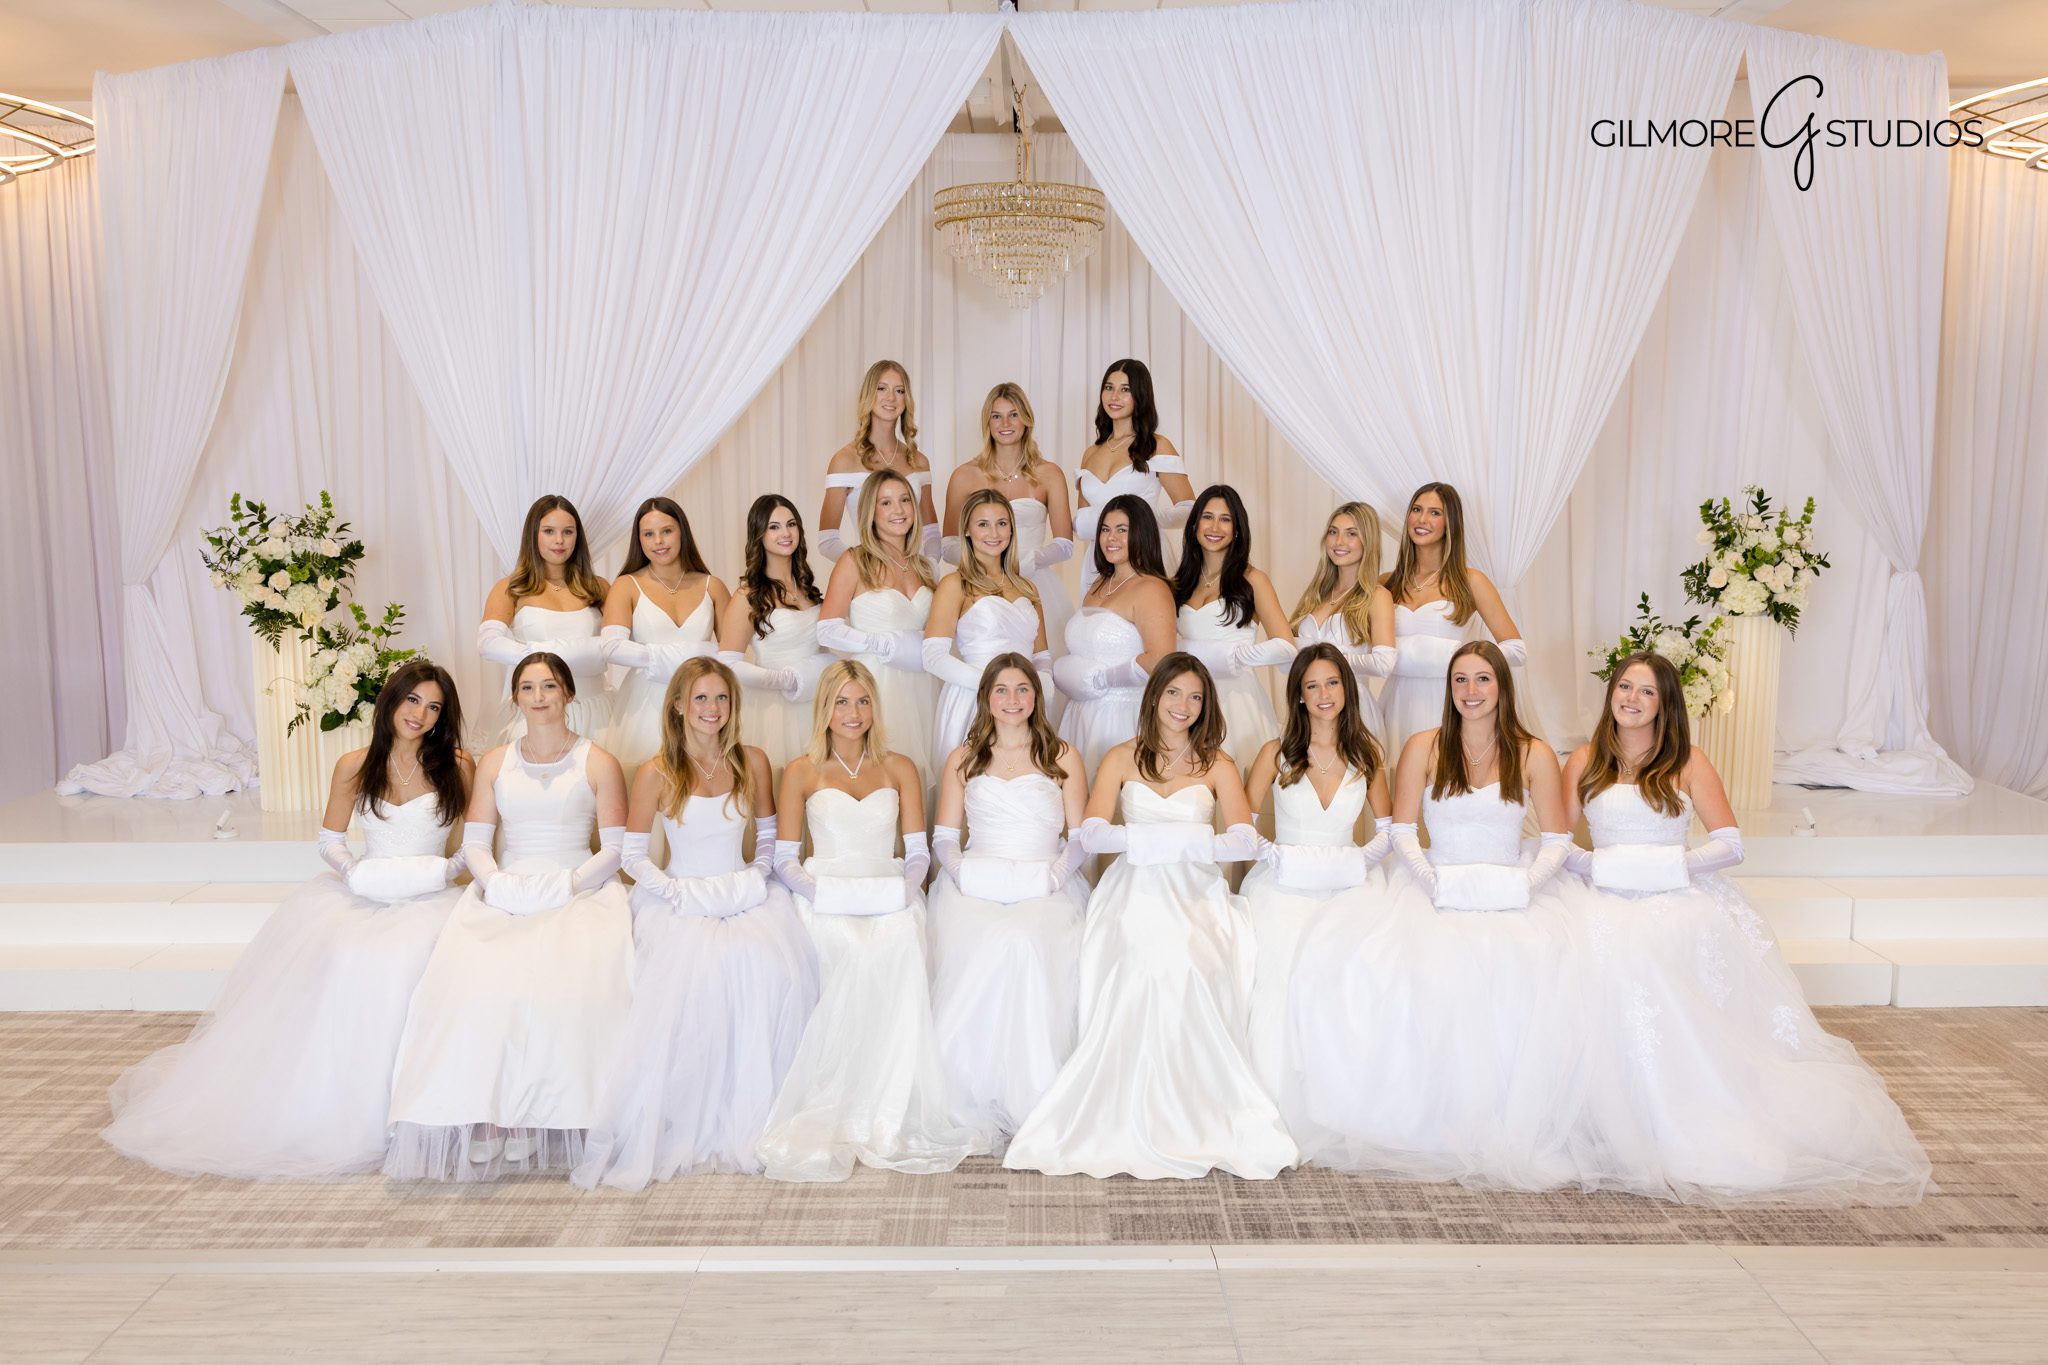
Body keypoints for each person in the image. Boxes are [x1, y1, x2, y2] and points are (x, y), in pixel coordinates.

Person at [1557, 652, 1932, 1206]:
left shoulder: (1686, 761)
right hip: (1603, 893)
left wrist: (1661, 871)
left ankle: (1682, 1113)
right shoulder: (1586, 758)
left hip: (1675, 895)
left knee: (1652, 956)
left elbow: (1730, 844)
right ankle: (1603, 1119)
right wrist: (1596, 868)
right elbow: (1559, 842)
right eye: (1624, 687)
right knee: (1586, 963)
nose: (1630, 699)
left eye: (1646, 692)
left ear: (1665, 706)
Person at [103, 661, 471, 1178]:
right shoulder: (354, 764)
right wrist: (356, 875)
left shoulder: (457, 764)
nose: (421, 714)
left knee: (422, 957)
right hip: (365, 892)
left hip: (433, 894)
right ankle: (351, 1107)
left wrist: (448, 872)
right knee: (357, 958)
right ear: (391, 701)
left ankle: (427, 1103)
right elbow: (330, 841)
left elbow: (470, 839)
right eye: (413, 700)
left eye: (433, 706)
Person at [1286, 640, 1581, 1191]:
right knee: (1400, 972)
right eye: (1461, 681)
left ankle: (1509, 1117)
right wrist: (1434, 884)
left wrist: (1522, 886)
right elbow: (1399, 832)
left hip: (1509, 887)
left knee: (1532, 969)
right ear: (1449, 690)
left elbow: (1559, 839)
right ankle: (1426, 1114)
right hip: (1435, 883)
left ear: (1502, 687)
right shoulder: (1425, 745)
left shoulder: (1534, 751)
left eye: (1483, 680)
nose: (1471, 691)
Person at [1004, 655, 1296, 1180]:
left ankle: (1192, 1104)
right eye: (1173, 694)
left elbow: (1244, 839)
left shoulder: (1219, 764)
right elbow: (1089, 834)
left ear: (1205, 706)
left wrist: (1179, 844)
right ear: (1154, 697)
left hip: (1195, 890)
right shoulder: (1121, 758)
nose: (1183, 707)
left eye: (1195, 697)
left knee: (1188, 961)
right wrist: (1157, 843)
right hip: (1133, 887)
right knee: (1137, 957)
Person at [384, 653, 633, 1181]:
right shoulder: (496, 762)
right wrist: (496, 882)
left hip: (577, 888)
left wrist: (566, 885)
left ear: (568, 693)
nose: (538, 696)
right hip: (506, 888)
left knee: (564, 981)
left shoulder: (599, 762)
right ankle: (491, 1111)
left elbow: (615, 849)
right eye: (527, 687)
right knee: (477, 981)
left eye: (548, 686)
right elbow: (476, 842)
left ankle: (539, 1115)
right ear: (516, 698)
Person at [574, 659, 818, 1188]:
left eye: (722, 699)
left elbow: (771, 841)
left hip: (743, 892)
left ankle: (759, 1112)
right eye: (701, 699)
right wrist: (676, 892)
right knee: (693, 983)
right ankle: (691, 1115)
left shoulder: (751, 761)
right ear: (679, 704)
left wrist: (752, 879)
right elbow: (633, 856)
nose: (712, 710)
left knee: (777, 972)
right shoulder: (657, 771)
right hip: (680, 897)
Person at [756, 660, 984, 1181]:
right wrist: (825, 892)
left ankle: (888, 1099)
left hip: (886, 886)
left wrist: (902, 890)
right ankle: (839, 1097)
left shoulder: (900, 767)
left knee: (900, 942)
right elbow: (785, 858)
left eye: (862, 702)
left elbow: (919, 851)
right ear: (825, 710)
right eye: (841, 702)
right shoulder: (802, 771)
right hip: (824, 890)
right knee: (849, 950)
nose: (853, 713)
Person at [928, 655, 1091, 1152]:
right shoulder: (964, 757)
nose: (1014, 699)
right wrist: (964, 875)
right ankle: (973, 1092)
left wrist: (1056, 874)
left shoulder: (1062, 754)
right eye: (1002, 690)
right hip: (977, 879)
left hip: (1045, 880)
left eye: (1023, 689)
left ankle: (1035, 1092)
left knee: (1024, 941)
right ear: (986, 698)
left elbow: (1081, 836)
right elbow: (943, 837)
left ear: (1036, 697)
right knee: (984, 941)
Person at [1239, 645, 1391, 1108]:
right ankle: (1275, 1093)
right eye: (1312, 686)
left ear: (1346, 689)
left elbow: (1388, 832)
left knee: (1356, 970)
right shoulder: (1276, 752)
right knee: (1280, 965)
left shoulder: (1367, 753)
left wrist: (1355, 864)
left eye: (1332, 683)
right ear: (1298, 695)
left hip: (1348, 886)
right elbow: (1241, 826)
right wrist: (1276, 858)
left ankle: (1343, 1095)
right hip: (1282, 884)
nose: (1324, 694)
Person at [1379, 483, 1525, 758]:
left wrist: (1459, 660)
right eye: (1417, 510)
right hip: (1397, 700)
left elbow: (1516, 650)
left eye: (1435, 513)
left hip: (1448, 699)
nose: (1422, 520)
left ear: (1450, 524)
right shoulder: (1387, 582)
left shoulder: (1470, 581)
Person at [815, 469, 940, 790]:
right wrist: (879, 643)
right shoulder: (855, 560)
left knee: (921, 774)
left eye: (904, 501)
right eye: (886, 503)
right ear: (870, 511)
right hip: (876, 683)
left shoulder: (924, 565)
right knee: (882, 771)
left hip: (923, 685)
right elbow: (827, 630)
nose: (898, 511)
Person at [942, 383, 1076, 656]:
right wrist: (985, 568)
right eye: (996, 416)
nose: (1005, 423)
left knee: (1039, 661)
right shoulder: (964, 475)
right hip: (978, 587)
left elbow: (1065, 544)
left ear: (1026, 420)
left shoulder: (1049, 474)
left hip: (1034, 583)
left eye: (1013, 414)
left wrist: (1026, 563)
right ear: (987, 423)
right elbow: (947, 545)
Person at [1172, 484, 1297, 773]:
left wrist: (1235, 656)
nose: (1215, 527)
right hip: (1187, 697)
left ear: (1237, 528)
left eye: (1225, 519)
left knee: (1238, 779)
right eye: (1207, 517)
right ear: (1194, 525)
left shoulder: (1252, 579)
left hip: (1236, 698)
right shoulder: (1179, 582)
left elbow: (1287, 646)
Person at [1052, 494, 1178, 775]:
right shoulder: (1098, 583)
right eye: (1105, 530)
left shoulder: (1152, 589)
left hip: (1120, 714)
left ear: (1142, 534)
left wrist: (1104, 678)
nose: (1111, 538)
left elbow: (1161, 660)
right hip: (1079, 713)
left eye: (1122, 530)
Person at [600, 496, 728, 770]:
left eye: (666, 531)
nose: (658, 541)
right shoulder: (626, 585)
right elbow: (612, 647)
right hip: (646, 703)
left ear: (682, 531)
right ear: (640, 540)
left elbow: (733, 651)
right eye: (648, 534)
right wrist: (699, 653)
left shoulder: (712, 585)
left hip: (704, 700)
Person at [924, 488, 1050, 766]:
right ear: (967, 530)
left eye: (1002, 523)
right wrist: (990, 687)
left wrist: (1040, 690)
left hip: (1022, 704)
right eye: (983, 524)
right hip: (972, 698)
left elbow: (1041, 657)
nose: (994, 533)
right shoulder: (955, 585)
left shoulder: (1028, 588)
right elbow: (932, 656)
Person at [478, 494, 612, 739]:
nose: (559, 540)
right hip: (535, 710)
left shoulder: (598, 587)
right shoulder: (510, 587)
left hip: (595, 710)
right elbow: (488, 644)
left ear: (577, 537)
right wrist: (546, 658)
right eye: (549, 531)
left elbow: (620, 644)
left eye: (568, 532)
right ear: (533, 535)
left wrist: (542, 652)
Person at [715, 494, 830, 772]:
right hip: (773, 711)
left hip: (817, 701)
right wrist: (780, 680)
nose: (786, 533)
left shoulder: (810, 591)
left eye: (791, 524)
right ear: (759, 535)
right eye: (774, 527)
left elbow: (823, 651)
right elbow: (727, 664)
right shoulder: (748, 596)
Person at [1073, 360, 1195, 593]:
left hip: (1143, 553)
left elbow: (1190, 509)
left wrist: (1142, 520)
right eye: (1108, 388)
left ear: (1140, 395)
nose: (1114, 396)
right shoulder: (1090, 452)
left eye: (1125, 389)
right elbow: (1083, 520)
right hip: (1098, 559)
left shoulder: (1157, 445)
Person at [1290, 501, 1397, 750]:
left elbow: (1384, 664)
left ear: (1367, 542)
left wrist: (1328, 662)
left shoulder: (1376, 596)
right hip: (1310, 708)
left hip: (1352, 708)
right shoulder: (1314, 595)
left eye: (1351, 534)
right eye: (1333, 532)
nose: (1339, 542)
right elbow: (1288, 651)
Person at [815, 360, 938, 563]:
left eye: (899, 391)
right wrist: (868, 569)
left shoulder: (919, 461)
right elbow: (827, 540)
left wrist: (928, 568)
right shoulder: (844, 460)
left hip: (915, 579)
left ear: (906, 399)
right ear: (869, 394)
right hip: (870, 581)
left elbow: (931, 533)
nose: (891, 397)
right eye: (882, 388)